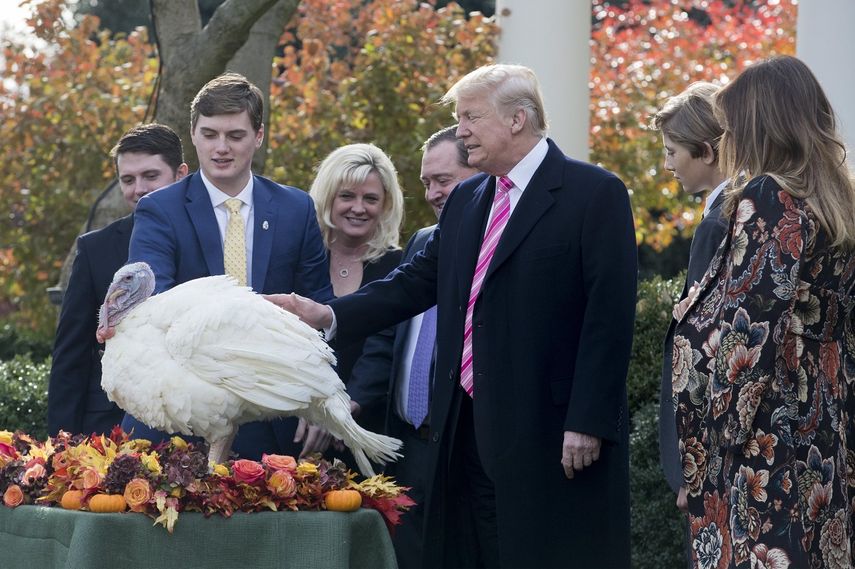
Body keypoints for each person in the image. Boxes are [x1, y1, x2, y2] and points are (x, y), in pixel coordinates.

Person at [270, 64, 637, 568]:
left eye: (470, 116)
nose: (460, 130)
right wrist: (329, 314)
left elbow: (609, 317)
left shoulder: (594, 193)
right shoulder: (469, 198)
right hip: (462, 429)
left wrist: (588, 421)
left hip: (550, 433)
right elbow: (413, 283)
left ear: (517, 119)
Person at [672, 55, 855, 567]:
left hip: (768, 432)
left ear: (759, 123)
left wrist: (716, 441)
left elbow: (748, 330)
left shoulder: (770, 195)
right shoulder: (836, 196)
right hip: (825, 419)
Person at [124, 72, 334, 460]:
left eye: (235, 136)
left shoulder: (296, 209)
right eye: (209, 134)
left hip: (272, 418)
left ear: (258, 135)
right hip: (180, 420)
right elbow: (154, 307)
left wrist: (318, 397)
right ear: (193, 134)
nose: (221, 148)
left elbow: (316, 306)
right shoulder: (159, 210)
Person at [346, 125, 478, 569]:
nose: (434, 192)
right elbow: (389, 334)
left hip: (461, 447)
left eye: (444, 180)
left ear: (478, 174)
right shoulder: (423, 241)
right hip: (406, 445)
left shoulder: (494, 244)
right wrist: (356, 402)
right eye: (426, 182)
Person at [47, 124, 188, 437]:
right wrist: (61, 444)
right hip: (111, 427)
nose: (138, 188)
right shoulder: (95, 249)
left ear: (180, 174)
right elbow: (72, 354)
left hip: (197, 419)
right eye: (128, 179)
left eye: (151, 176)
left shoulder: (210, 236)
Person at [651, 83, 729, 524]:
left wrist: (691, 468)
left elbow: (705, 346)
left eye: (672, 152)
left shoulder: (720, 222)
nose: (667, 165)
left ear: (706, 151)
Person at [305, 142, 404, 450]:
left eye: (370, 198)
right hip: (300, 421)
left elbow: (385, 347)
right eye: (347, 196)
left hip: (368, 427)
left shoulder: (399, 266)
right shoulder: (303, 258)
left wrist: (349, 405)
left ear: (386, 205)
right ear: (327, 198)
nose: (358, 208)